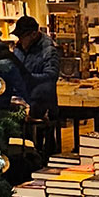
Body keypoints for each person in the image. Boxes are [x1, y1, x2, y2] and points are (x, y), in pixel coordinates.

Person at [10, 16, 61, 153]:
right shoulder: (18, 49)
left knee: (38, 145)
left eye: (22, 36)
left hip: (42, 103)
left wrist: (28, 78)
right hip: (21, 99)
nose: (20, 40)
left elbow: (51, 76)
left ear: (33, 34)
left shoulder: (48, 50)